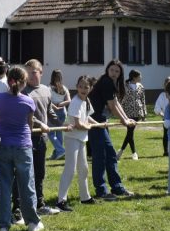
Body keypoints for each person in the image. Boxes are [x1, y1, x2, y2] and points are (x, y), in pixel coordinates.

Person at [0, 65, 45, 231]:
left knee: (4, 187)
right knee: (27, 185)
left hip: (3, 146)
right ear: (24, 82)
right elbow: (28, 126)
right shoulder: (28, 102)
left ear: (8, 80)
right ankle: (32, 223)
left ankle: (2, 227)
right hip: (23, 147)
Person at [87, 60, 137, 200]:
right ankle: (102, 191)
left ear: (120, 73)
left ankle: (117, 188)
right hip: (95, 122)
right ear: (107, 70)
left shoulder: (111, 83)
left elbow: (116, 103)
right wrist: (124, 121)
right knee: (100, 157)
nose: (114, 73)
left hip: (101, 121)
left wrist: (126, 118)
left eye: (117, 71)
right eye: (112, 70)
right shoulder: (106, 81)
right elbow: (112, 106)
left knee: (110, 154)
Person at [21, 59, 59, 216]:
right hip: (27, 137)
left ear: (41, 73)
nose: (30, 76)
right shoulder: (23, 91)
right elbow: (24, 113)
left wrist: (59, 119)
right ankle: (20, 207)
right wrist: (39, 124)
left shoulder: (46, 90)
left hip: (42, 137)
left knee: (40, 172)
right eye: (27, 73)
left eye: (33, 72)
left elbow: (48, 109)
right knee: (24, 172)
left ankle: (40, 204)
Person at [56, 75, 97, 211]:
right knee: (70, 168)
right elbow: (79, 124)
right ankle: (61, 201)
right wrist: (89, 127)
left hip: (81, 138)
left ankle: (85, 197)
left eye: (86, 87)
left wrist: (98, 124)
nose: (83, 89)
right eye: (80, 86)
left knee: (83, 168)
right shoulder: (75, 102)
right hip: (72, 138)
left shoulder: (86, 101)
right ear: (77, 86)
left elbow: (87, 116)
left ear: (90, 88)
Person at [118, 69, 146, 160]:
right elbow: (121, 100)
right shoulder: (126, 86)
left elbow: (143, 100)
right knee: (130, 132)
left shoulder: (141, 86)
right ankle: (132, 153)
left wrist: (144, 113)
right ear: (134, 77)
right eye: (139, 76)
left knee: (130, 132)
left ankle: (123, 151)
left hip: (137, 112)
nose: (141, 77)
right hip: (127, 112)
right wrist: (120, 113)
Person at [46, 69, 70, 160]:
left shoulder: (49, 88)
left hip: (53, 111)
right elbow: (68, 100)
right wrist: (61, 104)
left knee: (51, 133)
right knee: (59, 132)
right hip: (63, 111)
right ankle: (56, 154)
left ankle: (60, 150)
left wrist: (56, 106)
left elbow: (48, 101)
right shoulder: (64, 88)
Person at [154, 79, 170, 157]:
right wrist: (164, 116)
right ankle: (166, 151)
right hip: (167, 119)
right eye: (167, 84)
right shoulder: (162, 95)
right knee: (166, 134)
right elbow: (157, 108)